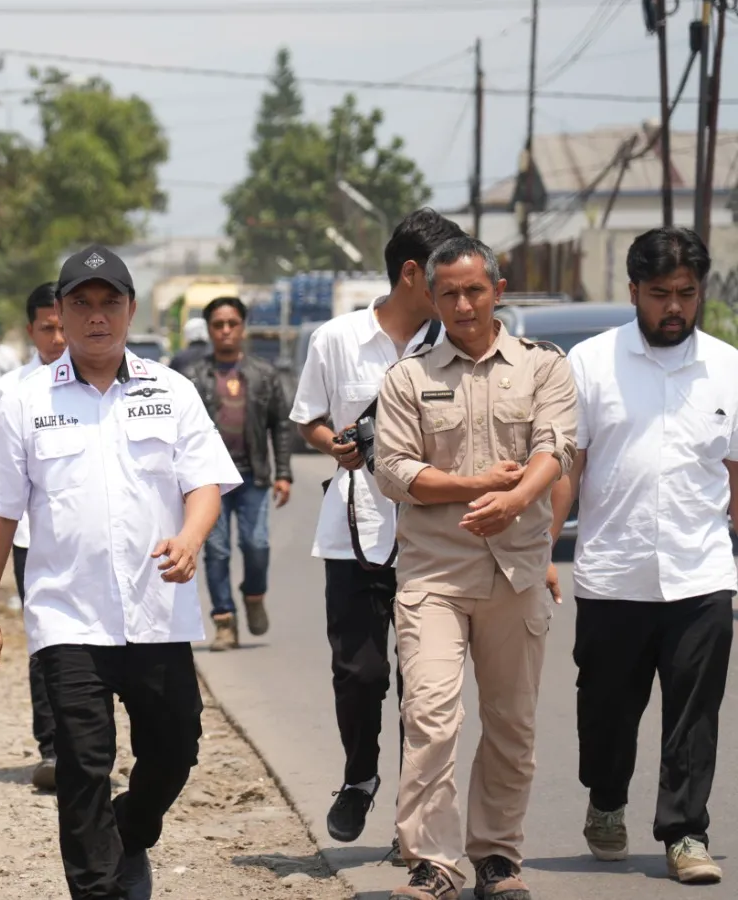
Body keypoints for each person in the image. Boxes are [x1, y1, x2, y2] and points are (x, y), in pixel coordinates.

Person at [0, 244, 242, 900]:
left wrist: (191, 537)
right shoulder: (25, 402)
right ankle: (98, 889)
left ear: (130, 309)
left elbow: (204, 484)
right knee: (83, 767)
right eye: (81, 304)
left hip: (157, 613)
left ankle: (132, 830)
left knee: (176, 749)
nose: (96, 316)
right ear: (58, 313)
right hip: (68, 617)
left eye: (109, 302)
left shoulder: (170, 391)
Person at [373, 235, 576, 900]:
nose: (462, 304)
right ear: (431, 297)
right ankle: (432, 860)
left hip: (515, 572)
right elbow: (395, 470)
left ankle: (497, 857)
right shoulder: (408, 378)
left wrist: (517, 498)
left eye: (474, 290)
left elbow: (557, 446)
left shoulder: (544, 366)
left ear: (498, 291)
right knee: (430, 713)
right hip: (433, 575)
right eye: (449, 292)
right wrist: (474, 486)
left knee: (511, 722)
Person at [555, 227, 737, 886]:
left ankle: (685, 831)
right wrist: (543, 550)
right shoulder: (591, 364)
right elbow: (567, 468)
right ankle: (606, 800)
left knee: (694, 716)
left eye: (686, 294)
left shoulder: (728, 367)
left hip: (702, 575)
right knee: (605, 712)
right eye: (659, 294)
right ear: (632, 291)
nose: (674, 308)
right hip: (612, 577)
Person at [288, 208, 464, 850]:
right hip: (354, 533)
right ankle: (360, 776)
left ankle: (413, 822)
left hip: (434, 537)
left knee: (427, 687)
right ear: (414, 273)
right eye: (446, 273)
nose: (458, 291)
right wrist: (332, 445)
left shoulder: (453, 344)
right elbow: (308, 419)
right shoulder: (335, 340)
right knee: (360, 674)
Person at [0, 281, 67, 792]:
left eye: (66, 324)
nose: (59, 337)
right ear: (31, 330)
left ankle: (91, 740)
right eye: (48, 328)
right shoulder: (11, 390)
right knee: (46, 639)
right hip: (32, 536)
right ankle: (55, 747)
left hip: (92, 539)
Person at [186, 296, 294, 651]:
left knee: (256, 544)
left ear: (242, 327)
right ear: (210, 330)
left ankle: (253, 594)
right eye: (218, 325)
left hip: (253, 477)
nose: (226, 331)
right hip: (209, 481)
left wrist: (283, 473)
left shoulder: (264, 374)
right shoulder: (193, 377)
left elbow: (280, 425)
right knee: (216, 550)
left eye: (232, 323)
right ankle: (225, 621)